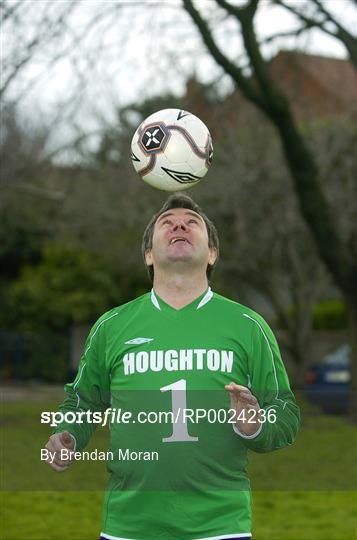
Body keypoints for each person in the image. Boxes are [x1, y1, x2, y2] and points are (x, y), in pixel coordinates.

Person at [45, 193, 300, 540]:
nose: (179, 225)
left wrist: (254, 426)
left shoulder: (247, 325)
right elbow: (83, 402)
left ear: (212, 253)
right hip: (129, 527)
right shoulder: (112, 326)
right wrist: (67, 434)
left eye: (192, 223)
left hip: (220, 527)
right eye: (168, 223)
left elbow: (285, 411)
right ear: (149, 254)